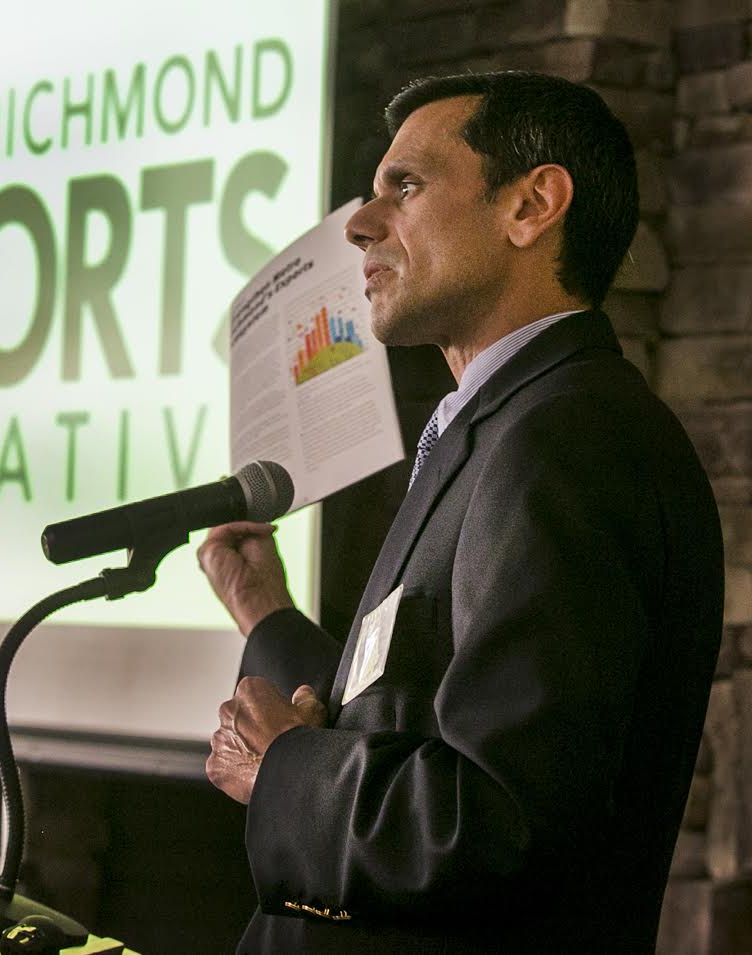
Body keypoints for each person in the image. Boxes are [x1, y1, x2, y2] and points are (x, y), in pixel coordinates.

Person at [197, 72, 724, 953]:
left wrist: (284, 770)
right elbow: (403, 713)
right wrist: (265, 610)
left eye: (403, 187)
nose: (359, 224)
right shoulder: (508, 426)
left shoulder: (568, 440)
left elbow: (494, 820)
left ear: (532, 207)